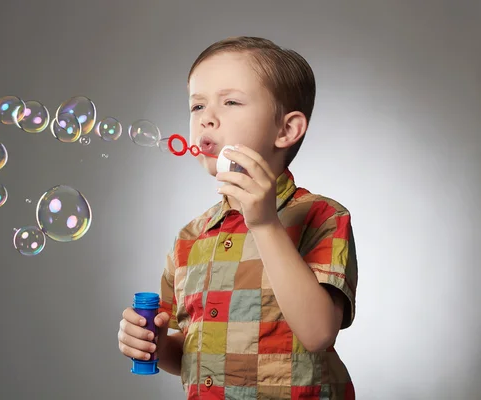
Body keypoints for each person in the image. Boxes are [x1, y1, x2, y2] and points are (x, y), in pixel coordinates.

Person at [118, 36, 358, 400]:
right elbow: (190, 348)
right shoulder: (190, 238)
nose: (207, 119)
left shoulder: (323, 216)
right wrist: (152, 343)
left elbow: (318, 332)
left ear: (286, 130)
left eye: (230, 102)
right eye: (197, 106)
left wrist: (263, 223)